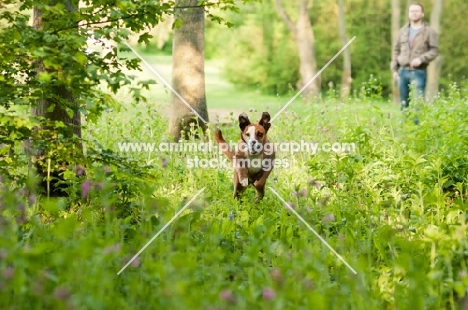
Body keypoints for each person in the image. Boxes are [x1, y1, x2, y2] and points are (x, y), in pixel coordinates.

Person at [391, 2, 439, 110]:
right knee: (403, 103)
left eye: (417, 11)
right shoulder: (402, 31)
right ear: (408, 13)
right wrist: (394, 69)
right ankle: (405, 125)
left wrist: (421, 59)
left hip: (419, 72)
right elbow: (396, 50)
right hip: (403, 71)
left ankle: (417, 126)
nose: (414, 13)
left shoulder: (429, 31)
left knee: (418, 102)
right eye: (412, 11)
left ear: (422, 14)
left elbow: (434, 50)